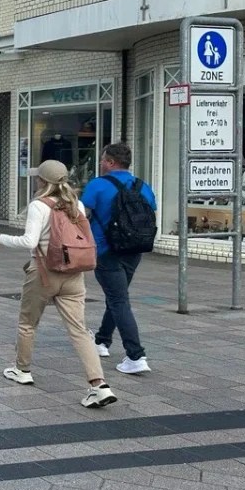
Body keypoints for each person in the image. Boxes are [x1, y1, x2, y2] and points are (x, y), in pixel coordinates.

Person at [0, 160, 118, 409]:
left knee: (28, 323)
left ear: (42, 181)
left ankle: (22, 370)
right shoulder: (76, 204)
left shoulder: (39, 205)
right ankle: (99, 385)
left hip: (43, 273)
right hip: (74, 274)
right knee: (80, 330)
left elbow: (30, 241)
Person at [81, 142, 157, 374]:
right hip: (134, 250)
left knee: (118, 300)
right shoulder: (142, 186)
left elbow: (81, 214)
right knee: (117, 297)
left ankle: (136, 356)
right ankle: (102, 341)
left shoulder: (98, 185)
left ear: (111, 162)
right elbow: (150, 212)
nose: (101, 163)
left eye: (103, 159)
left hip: (106, 251)